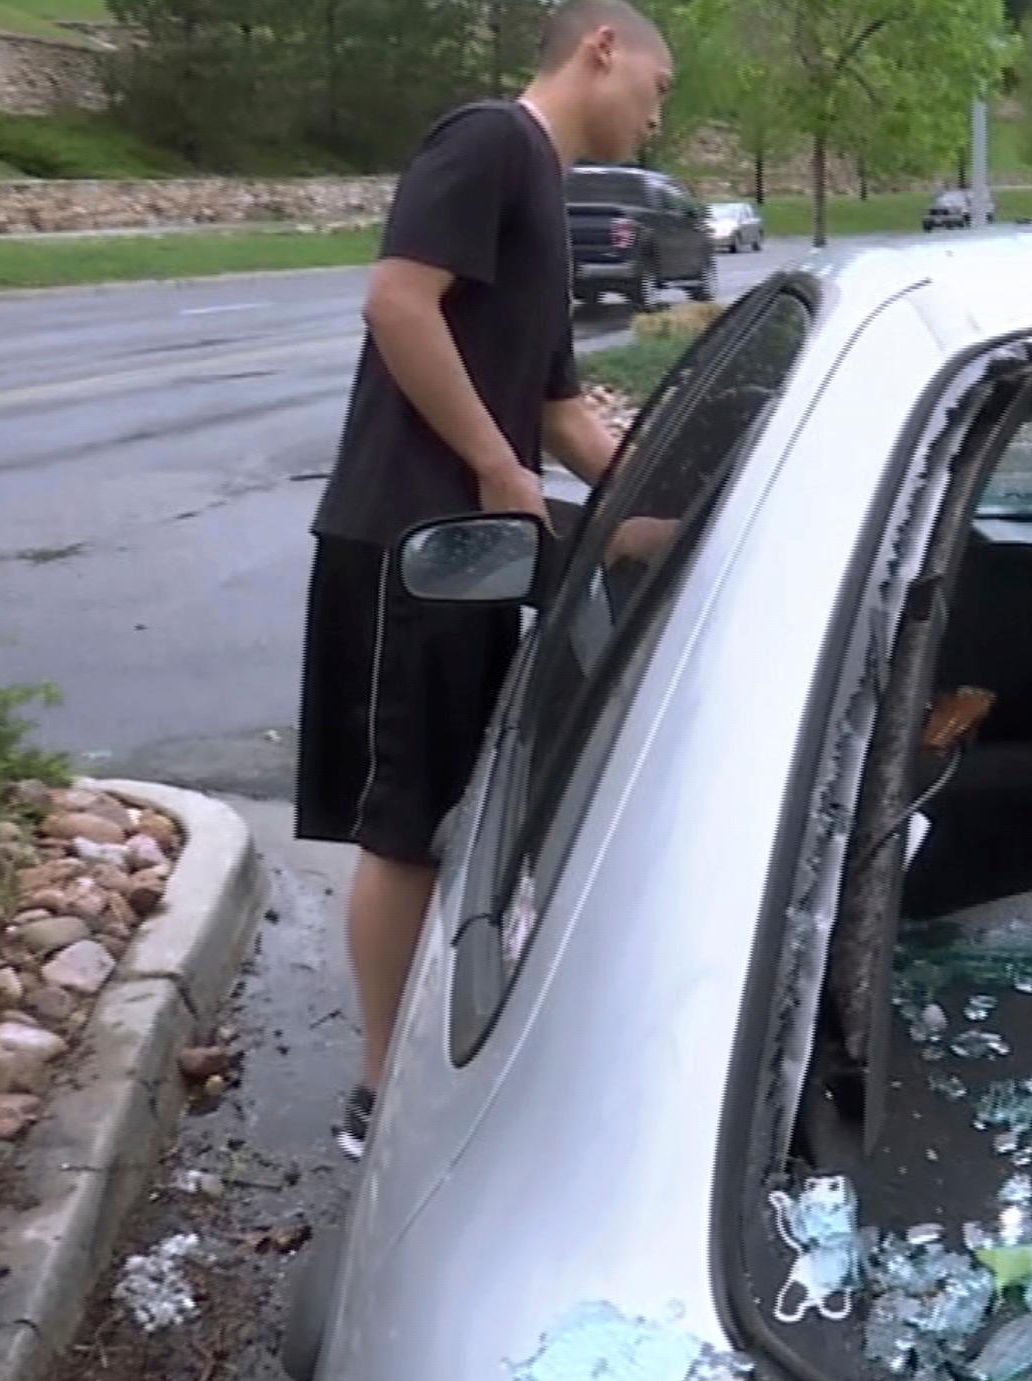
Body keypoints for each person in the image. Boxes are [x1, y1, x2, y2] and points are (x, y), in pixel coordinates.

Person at [295, 0, 672, 1159]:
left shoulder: (545, 194)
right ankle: (376, 1097)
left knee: (456, 799)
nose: (656, 119)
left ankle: (422, 1053)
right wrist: (493, 462)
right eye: (656, 88)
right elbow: (396, 302)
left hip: (474, 538)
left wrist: (661, 494)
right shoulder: (486, 141)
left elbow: (558, 407)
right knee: (405, 819)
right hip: (415, 538)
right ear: (599, 47)